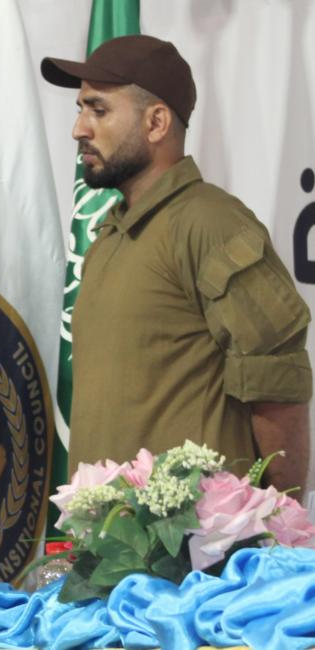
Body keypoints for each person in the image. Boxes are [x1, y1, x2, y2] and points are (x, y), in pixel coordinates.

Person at [41, 35, 312, 490]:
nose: (79, 129)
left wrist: (279, 520)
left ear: (156, 122)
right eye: (80, 109)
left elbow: (276, 384)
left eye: (98, 110)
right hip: (106, 533)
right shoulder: (107, 238)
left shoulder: (210, 222)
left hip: (197, 534)